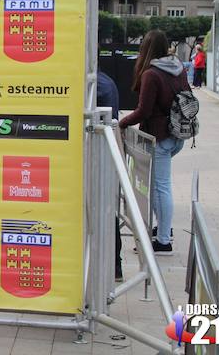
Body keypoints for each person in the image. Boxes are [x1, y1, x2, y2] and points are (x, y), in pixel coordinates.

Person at [118, 30, 189, 255]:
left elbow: (143, 111)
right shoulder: (178, 68)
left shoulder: (151, 74)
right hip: (177, 135)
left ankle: (164, 240)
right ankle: (162, 229)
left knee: (161, 188)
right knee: (160, 186)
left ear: (145, 49)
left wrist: (122, 123)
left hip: (159, 137)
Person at [96, 71, 123, 282]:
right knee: (108, 210)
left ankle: (110, 265)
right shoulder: (107, 81)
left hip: (92, 158)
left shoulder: (93, 85)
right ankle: (115, 265)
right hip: (106, 156)